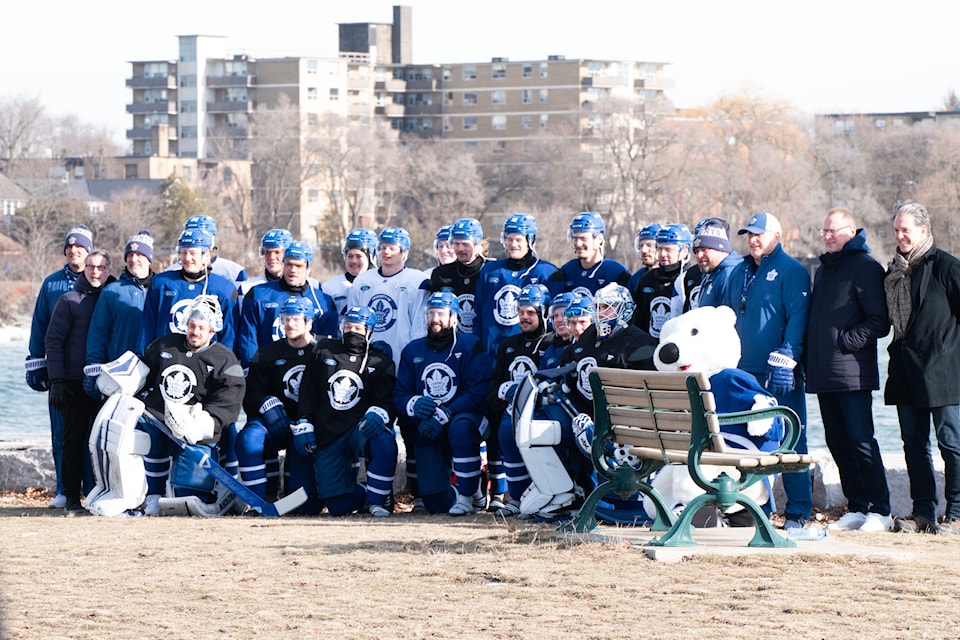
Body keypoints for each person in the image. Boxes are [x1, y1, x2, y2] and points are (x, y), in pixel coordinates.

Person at [720, 212, 812, 531]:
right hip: (743, 374)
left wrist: (790, 353)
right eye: (749, 235)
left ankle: (799, 511)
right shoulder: (740, 271)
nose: (753, 240)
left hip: (778, 372)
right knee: (744, 440)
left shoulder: (792, 271)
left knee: (789, 439)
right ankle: (751, 510)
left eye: (759, 234)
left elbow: (798, 315)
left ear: (776, 235)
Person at [806, 207, 892, 533]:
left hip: (852, 372)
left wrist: (844, 342)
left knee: (861, 441)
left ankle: (881, 510)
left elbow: (879, 322)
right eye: (824, 231)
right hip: (824, 374)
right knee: (837, 442)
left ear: (851, 231)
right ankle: (856, 507)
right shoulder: (824, 270)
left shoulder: (866, 267)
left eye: (833, 231)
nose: (827, 236)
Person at [884, 202, 960, 534]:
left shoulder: (946, 266)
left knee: (951, 443)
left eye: (906, 230)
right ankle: (923, 513)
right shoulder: (896, 271)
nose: (900, 236)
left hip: (943, 371)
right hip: (906, 371)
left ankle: (956, 512)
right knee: (913, 444)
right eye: (897, 230)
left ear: (924, 231)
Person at [138, 296, 246, 515]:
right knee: (140, 433)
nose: (195, 332)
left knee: (187, 498)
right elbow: (142, 376)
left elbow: (229, 400)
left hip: (195, 430)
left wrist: (203, 424)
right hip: (160, 420)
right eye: (191, 326)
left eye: (201, 328)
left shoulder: (225, 360)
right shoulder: (165, 345)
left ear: (212, 331)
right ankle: (153, 495)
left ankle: (221, 489)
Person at [394, 291, 493, 515]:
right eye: (431, 313)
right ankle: (473, 492)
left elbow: (478, 391)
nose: (435, 318)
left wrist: (446, 413)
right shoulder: (413, 350)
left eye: (440, 313)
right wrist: (414, 404)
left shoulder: (470, 345)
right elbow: (401, 394)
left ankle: (467, 496)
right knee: (436, 505)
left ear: (454, 317)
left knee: (461, 429)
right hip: (430, 425)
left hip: (467, 418)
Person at [295, 306, 398, 517]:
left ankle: (378, 501)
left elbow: (387, 399)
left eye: (358, 327)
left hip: (359, 426)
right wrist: (304, 421)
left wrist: (379, 414)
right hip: (328, 430)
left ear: (369, 330)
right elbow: (308, 391)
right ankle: (367, 491)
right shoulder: (323, 350)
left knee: (384, 441)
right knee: (338, 508)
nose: (352, 331)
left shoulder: (380, 360)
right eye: (348, 326)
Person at [26, 224, 94, 508]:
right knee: (61, 432)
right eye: (69, 246)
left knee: (91, 432)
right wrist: (36, 365)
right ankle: (65, 490)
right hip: (59, 371)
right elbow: (40, 325)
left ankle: (92, 489)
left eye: (79, 246)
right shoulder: (51, 283)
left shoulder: (101, 281)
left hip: (89, 370)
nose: (73, 250)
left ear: (88, 251)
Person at [235, 296, 320, 514]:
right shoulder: (267, 353)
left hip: (309, 425)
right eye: (286, 319)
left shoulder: (324, 351)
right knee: (248, 439)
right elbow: (251, 395)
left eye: (295, 319)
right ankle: (256, 502)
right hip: (274, 422)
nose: (289, 324)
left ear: (309, 322)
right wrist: (264, 403)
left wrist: (310, 420)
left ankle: (302, 497)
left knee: (305, 507)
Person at [45, 250, 115, 513]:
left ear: (108, 270)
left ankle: (103, 493)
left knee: (104, 441)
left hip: (107, 382)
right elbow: (53, 341)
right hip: (74, 380)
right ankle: (71, 496)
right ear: (84, 269)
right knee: (72, 439)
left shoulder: (114, 296)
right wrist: (57, 380)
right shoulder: (69, 300)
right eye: (90, 267)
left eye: (100, 267)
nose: (95, 272)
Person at [489, 284, 553, 516]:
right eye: (521, 311)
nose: (524, 317)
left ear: (543, 313)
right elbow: (497, 382)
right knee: (506, 430)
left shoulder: (551, 343)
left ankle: (543, 494)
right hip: (514, 409)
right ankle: (515, 497)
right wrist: (504, 390)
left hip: (544, 407)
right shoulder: (509, 345)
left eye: (530, 312)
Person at [236, 241, 339, 369]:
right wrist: (252, 368)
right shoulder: (258, 295)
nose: (292, 270)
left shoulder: (324, 302)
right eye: (288, 264)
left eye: (298, 265)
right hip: (268, 369)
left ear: (308, 268)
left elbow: (327, 346)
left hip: (308, 372)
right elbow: (248, 338)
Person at [474, 214, 559, 360]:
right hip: (492, 352)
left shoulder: (547, 273)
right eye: (509, 239)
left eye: (518, 239)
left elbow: (554, 318)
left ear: (530, 240)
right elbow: (478, 315)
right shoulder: (490, 271)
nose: (513, 244)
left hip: (532, 352)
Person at [139, 228, 238, 354]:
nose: (187, 258)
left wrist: (224, 365)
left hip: (205, 361)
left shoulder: (224, 289)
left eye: (193, 253)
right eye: (183, 252)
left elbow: (228, 336)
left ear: (206, 255)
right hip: (166, 358)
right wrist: (144, 357)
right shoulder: (161, 283)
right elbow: (147, 327)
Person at [346, 227, 428, 370]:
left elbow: (419, 328)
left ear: (405, 252)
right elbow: (352, 321)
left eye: (392, 248)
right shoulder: (362, 281)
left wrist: (416, 358)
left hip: (403, 355)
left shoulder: (417, 281)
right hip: (366, 357)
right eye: (383, 247)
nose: (386, 252)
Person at [86, 231, 155, 386]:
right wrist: (93, 368)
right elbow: (98, 333)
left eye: (139, 254)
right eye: (130, 255)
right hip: (117, 374)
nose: (133, 259)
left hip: (154, 372)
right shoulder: (112, 291)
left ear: (149, 258)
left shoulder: (161, 289)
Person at [424, 217, 487, 335]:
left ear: (478, 245)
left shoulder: (491, 271)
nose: (460, 249)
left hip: (483, 341)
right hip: (453, 342)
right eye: (456, 244)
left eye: (465, 244)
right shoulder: (441, 274)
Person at [630, 223, 692, 339]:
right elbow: (639, 322)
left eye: (668, 249)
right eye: (659, 248)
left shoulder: (691, 278)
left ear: (684, 250)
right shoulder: (646, 279)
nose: (662, 254)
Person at [550, 212, 630, 298]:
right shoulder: (566, 271)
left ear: (599, 239)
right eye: (575, 238)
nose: (578, 243)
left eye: (583, 238)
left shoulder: (617, 273)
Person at [176, 215, 248, 285]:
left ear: (213, 238)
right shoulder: (171, 272)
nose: (200, 238)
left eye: (205, 234)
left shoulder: (234, 271)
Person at [322, 228, 377, 315]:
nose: (354, 261)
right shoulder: (330, 288)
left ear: (370, 258)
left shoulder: (380, 285)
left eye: (359, 256)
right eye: (350, 256)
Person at [694, 218, 743, 308]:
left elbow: (728, 320)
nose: (699, 255)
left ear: (721, 248)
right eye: (696, 251)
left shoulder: (729, 275)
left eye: (704, 250)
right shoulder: (712, 273)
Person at [237, 229, 294, 304]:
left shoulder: (307, 287)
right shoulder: (247, 288)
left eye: (277, 252)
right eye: (267, 252)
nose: (271, 257)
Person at [625, 223, 662, 296]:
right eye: (641, 245)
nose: (643, 250)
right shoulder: (636, 278)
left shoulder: (676, 276)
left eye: (649, 245)